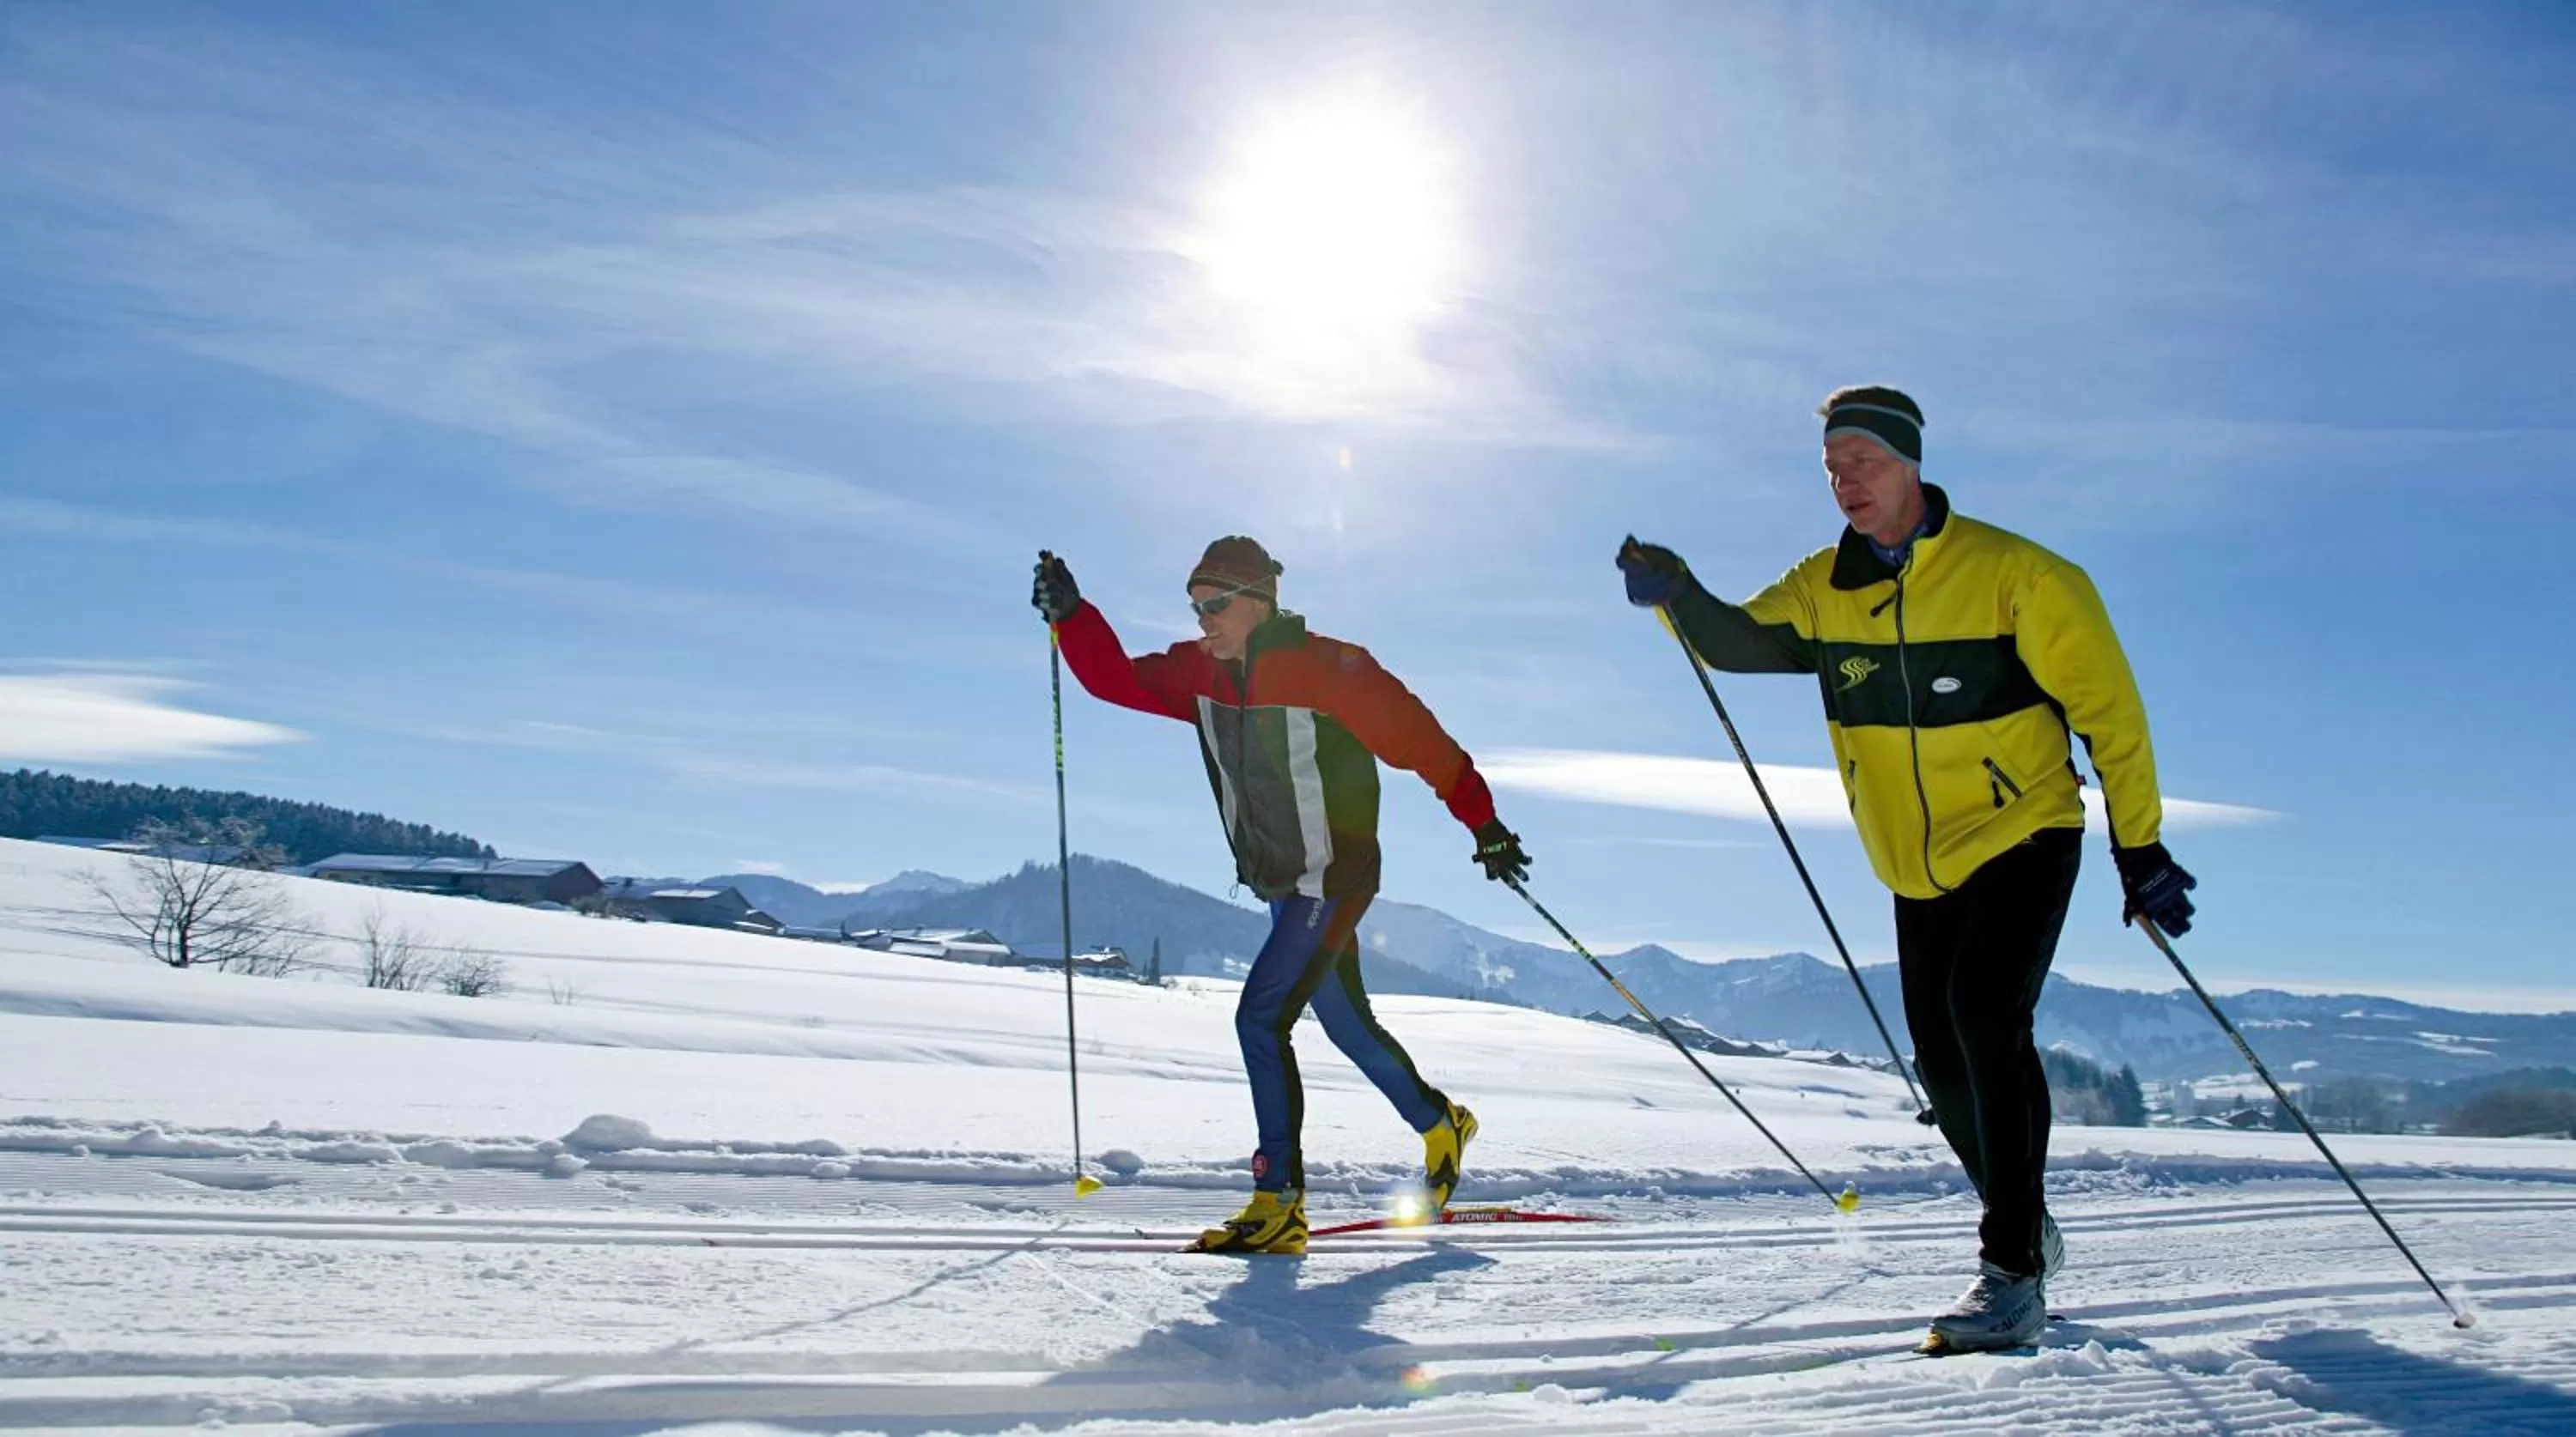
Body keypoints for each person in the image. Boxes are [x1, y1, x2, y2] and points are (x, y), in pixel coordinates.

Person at [1616, 385, 2198, 1349]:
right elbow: (1737, 642)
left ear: (1912, 462)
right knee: (1944, 1059)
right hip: (1912, 861)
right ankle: (2027, 1220)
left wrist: (2139, 846)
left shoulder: (2020, 577)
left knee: (1985, 1014)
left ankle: (2010, 1270)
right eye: (1833, 465)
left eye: (1866, 460)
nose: (1848, 480)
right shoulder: (1822, 584)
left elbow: (2111, 716)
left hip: (2023, 828)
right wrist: (1677, 593)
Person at [1033, 536, 1531, 1254]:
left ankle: (1279, 1204)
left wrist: (1484, 825)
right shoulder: (1195, 673)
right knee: (1347, 1026)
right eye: (1196, 605)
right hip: (1282, 882)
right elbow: (1110, 680)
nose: (1203, 619)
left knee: (1260, 1020)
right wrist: (1073, 615)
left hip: (1332, 877)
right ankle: (1441, 1124)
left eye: (1217, 604)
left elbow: (1424, 742)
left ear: (1261, 600)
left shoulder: (1328, 670)